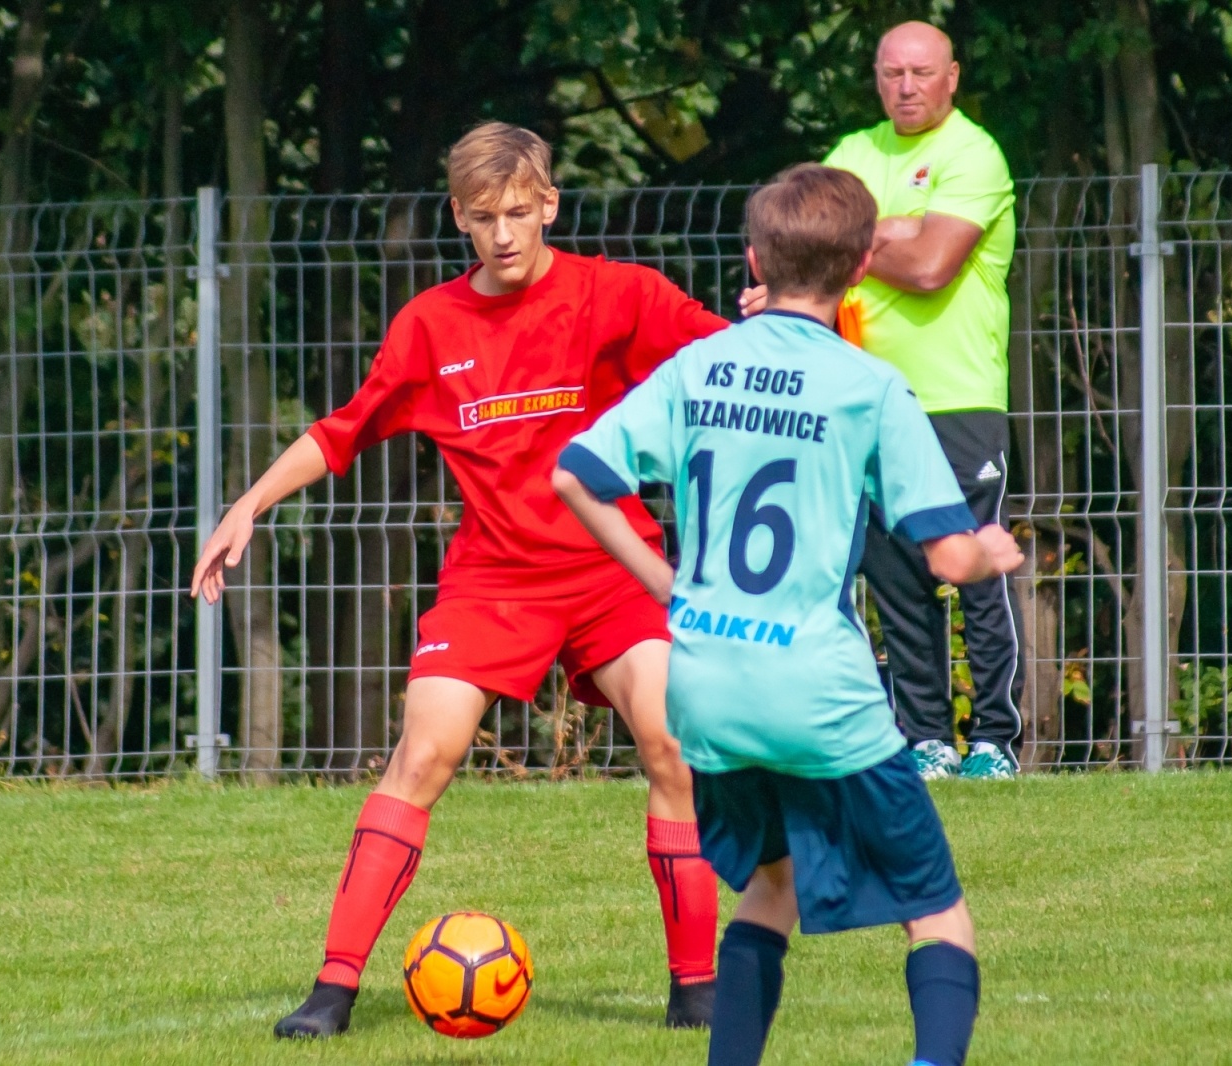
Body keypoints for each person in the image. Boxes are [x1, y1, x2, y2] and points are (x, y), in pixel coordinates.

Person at [189, 123, 725, 1037]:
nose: (504, 234)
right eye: (484, 218)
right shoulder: (431, 326)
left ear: (550, 204)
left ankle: (698, 990)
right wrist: (249, 503)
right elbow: (343, 430)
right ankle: (332, 992)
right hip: (493, 580)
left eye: (519, 211)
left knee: (673, 743)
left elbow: (729, 359)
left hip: (614, 568)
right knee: (423, 754)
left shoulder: (620, 295)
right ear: (459, 218)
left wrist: (795, 315)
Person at [553, 164, 1023, 1066]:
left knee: (772, 887)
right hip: (813, 686)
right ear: (860, 270)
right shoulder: (869, 386)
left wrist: (666, 584)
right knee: (937, 912)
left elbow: (577, 473)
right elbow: (946, 557)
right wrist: (989, 549)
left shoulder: (697, 364)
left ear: (755, 260)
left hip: (704, 681)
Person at [741, 21, 1023, 781]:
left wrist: (852, 248)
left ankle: (995, 740)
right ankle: (926, 736)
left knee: (973, 566)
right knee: (897, 578)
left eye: (922, 73)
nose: (906, 86)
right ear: (875, 76)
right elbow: (803, 250)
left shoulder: (973, 153)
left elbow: (931, 266)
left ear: (952, 77)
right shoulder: (852, 155)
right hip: (860, 397)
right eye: (892, 72)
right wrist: (885, 233)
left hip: (956, 398)